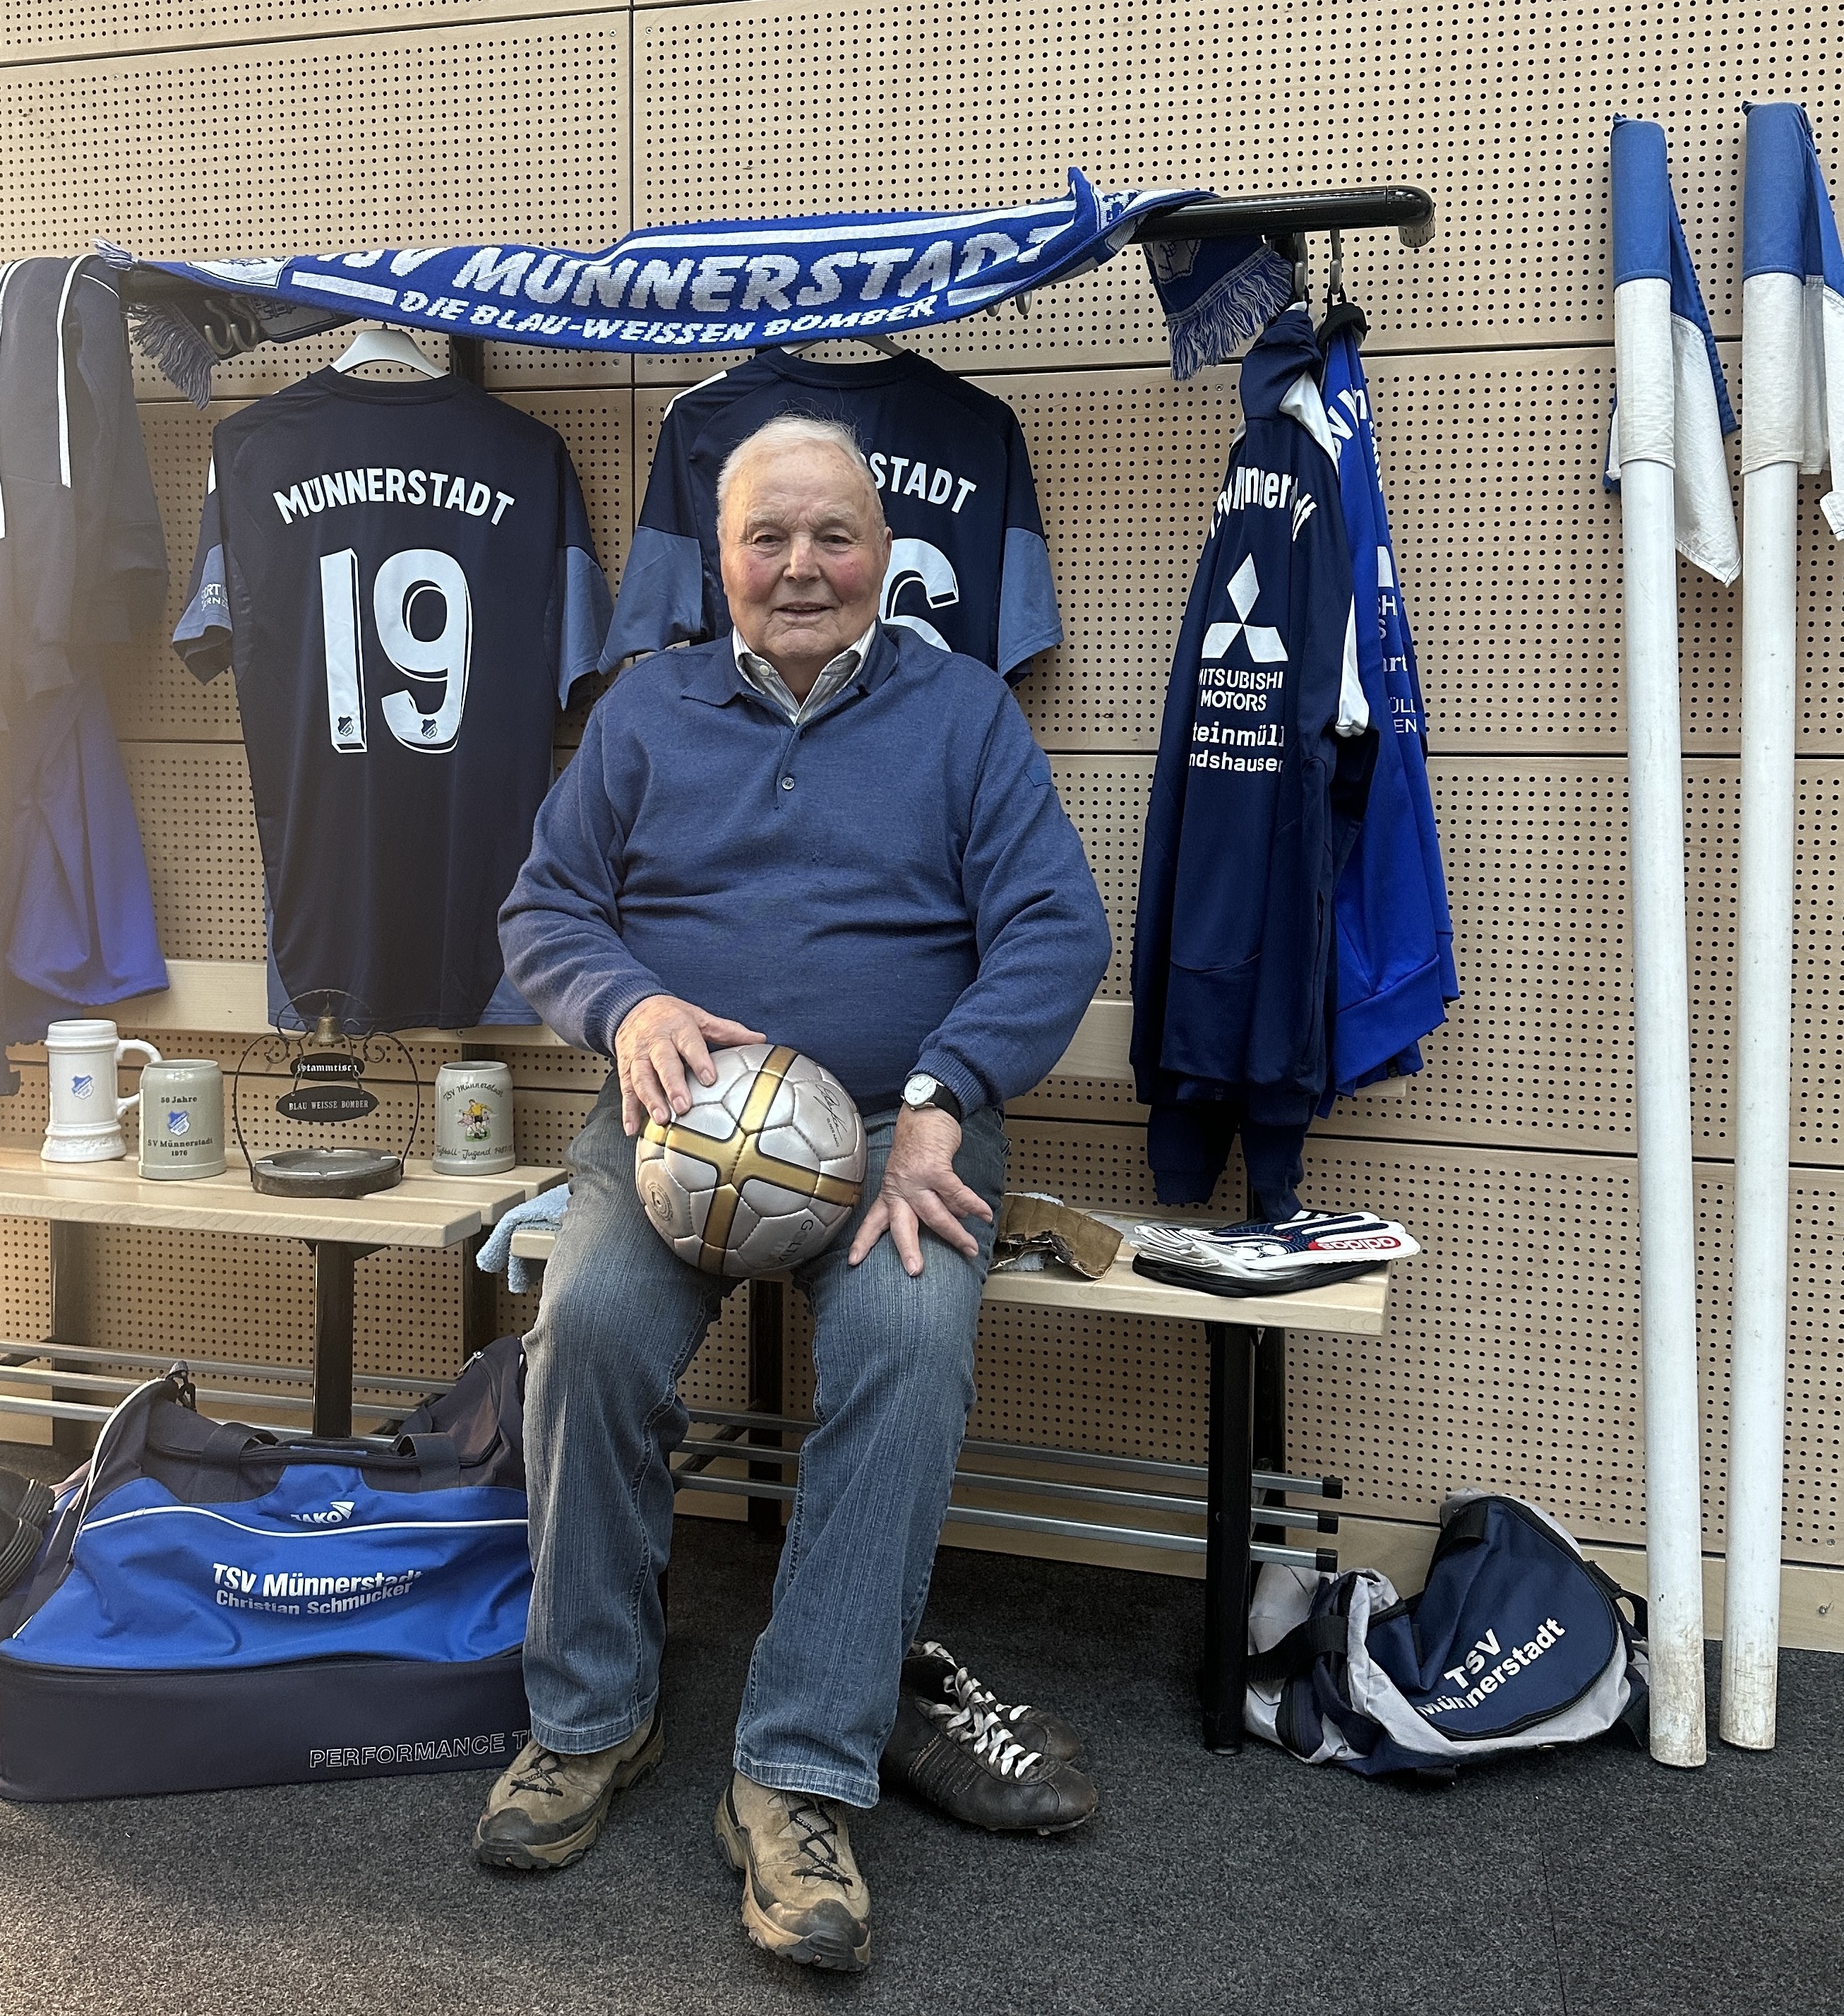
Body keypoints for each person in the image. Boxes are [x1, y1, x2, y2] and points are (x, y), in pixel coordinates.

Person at [489, 414, 1110, 1973]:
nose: (801, 566)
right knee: (589, 1331)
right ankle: (589, 1717)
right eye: (767, 537)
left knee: (907, 1346)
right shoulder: (644, 712)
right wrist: (627, 1007)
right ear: (721, 561)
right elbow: (546, 908)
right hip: (679, 1129)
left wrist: (945, 1095)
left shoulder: (964, 715)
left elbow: (1054, 929)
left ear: (885, 555)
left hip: (903, 1134)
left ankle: (799, 1772)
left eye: (834, 534)